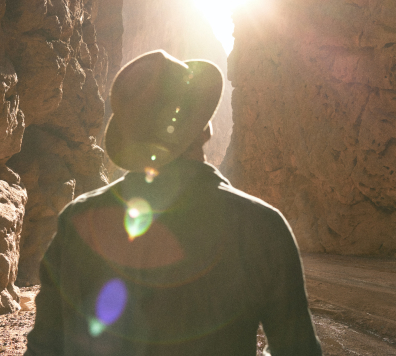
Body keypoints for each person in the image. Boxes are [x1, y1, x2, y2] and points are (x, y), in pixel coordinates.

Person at [25, 50, 322, 356]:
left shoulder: (77, 220)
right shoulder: (262, 226)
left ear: (131, 142)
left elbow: (43, 348)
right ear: (204, 129)